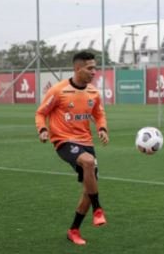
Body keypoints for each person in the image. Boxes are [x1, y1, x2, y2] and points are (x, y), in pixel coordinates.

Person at [35, 51, 109, 245]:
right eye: (90, 68)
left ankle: (74, 230)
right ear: (77, 68)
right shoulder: (58, 91)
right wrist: (42, 130)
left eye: (95, 67)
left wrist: (102, 129)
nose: (94, 72)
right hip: (64, 141)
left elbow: (99, 115)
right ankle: (98, 209)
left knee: (87, 188)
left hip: (86, 142)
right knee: (88, 162)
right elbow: (41, 113)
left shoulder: (93, 92)